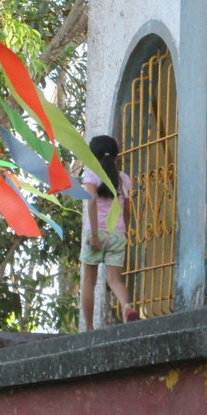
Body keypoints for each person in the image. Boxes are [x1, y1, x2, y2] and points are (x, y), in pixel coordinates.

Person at [80, 134, 139, 328]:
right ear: (116, 154)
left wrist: (95, 235)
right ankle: (127, 306)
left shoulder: (91, 175)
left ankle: (88, 328)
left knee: (89, 281)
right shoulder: (124, 179)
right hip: (117, 234)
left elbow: (92, 202)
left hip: (96, 234)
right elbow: (128, 208)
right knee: (115, 280)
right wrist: (125, 231)